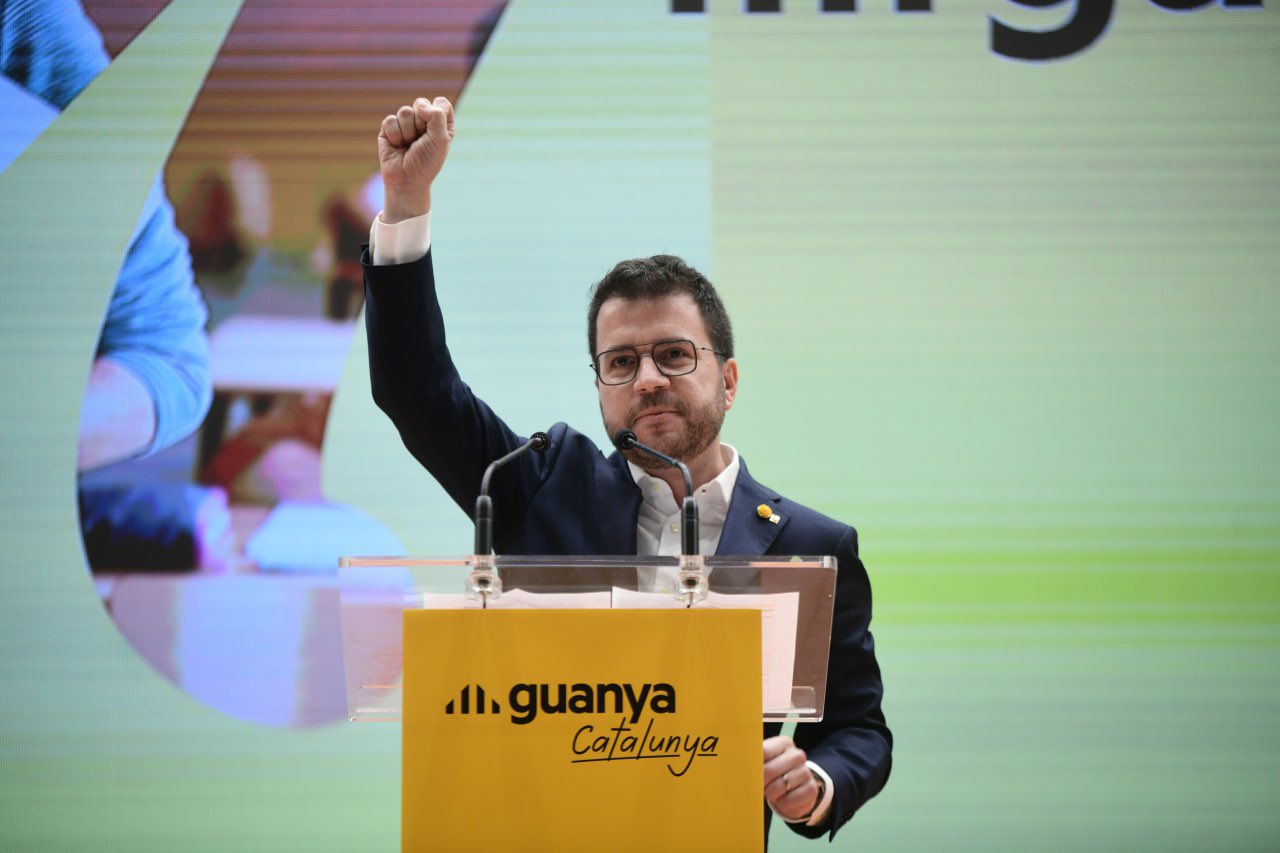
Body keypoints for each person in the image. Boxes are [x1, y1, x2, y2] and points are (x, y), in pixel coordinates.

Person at [362, 97, 891, 840]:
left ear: (728, 379)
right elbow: (416, 389)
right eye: (620, 362)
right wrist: (406, 203)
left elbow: (860, 728)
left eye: (673, 354)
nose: (646, 379)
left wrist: (817, 783)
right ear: (600, 384)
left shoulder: (810, 546)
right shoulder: (540, 484)